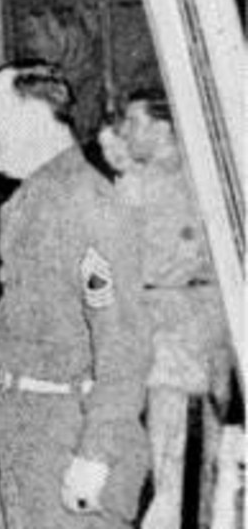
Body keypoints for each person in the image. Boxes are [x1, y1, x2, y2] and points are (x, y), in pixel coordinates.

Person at [0, 59, 150, 529]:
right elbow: (52, 324)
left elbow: (124, 343)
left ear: (32, 115)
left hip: (69, 434)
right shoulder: (30, 202)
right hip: (28, 432)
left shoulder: (87, 203)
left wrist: (95, 456)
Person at [102, 88, 232, 529]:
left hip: (192, 328)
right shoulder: (155, 177)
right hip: (177, 327)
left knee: (194, 457)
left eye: (134, 122)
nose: (124, 131)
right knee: (179, 457)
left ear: (164, 128)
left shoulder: (181, 176)